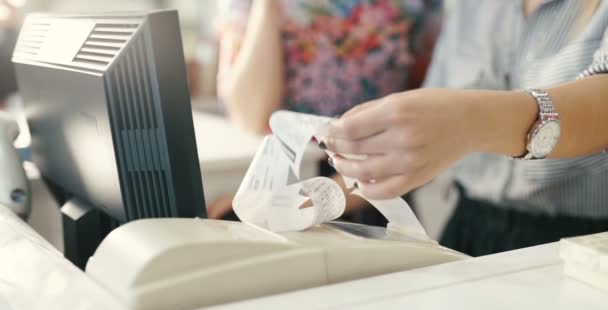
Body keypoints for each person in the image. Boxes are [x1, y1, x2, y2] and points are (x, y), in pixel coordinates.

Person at [323, 0, 608, 256]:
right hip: (467, 232)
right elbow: (419, 139)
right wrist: (315, 201)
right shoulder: (472, 8)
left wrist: (467, 121)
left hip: (582, 250)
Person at [212, 0, 441, 220]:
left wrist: (319, 198)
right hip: (279, 181)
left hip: (375, 187)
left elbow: (430, 122)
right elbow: (250, 115)